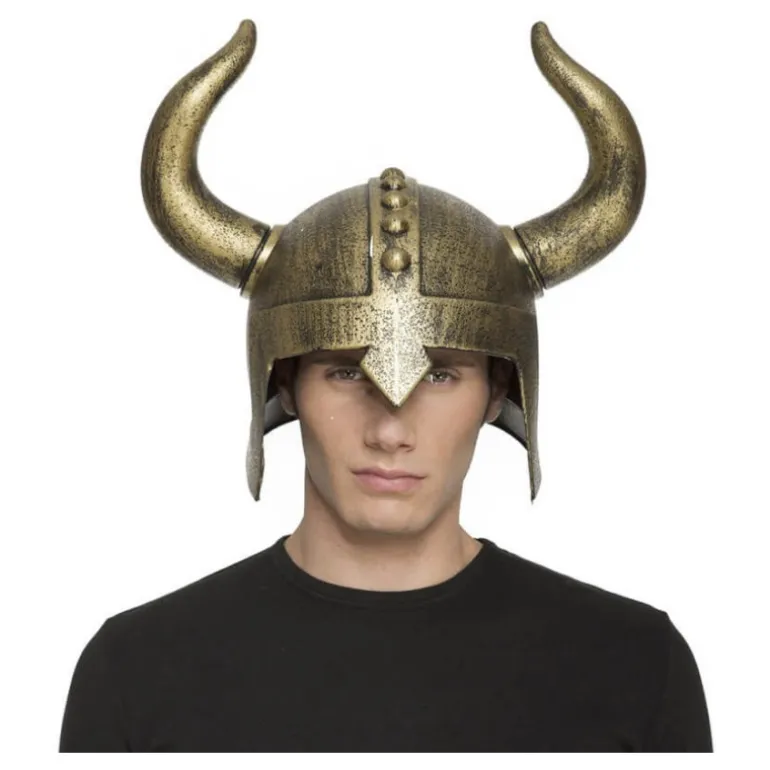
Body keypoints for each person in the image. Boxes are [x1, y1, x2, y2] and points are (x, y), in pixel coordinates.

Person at [59, 19, 712, 752]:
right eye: (345, 372)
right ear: (285, 383)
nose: (391, 430)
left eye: (441, 374)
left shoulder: (634, 665)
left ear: (498, 392)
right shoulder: (138, 672)